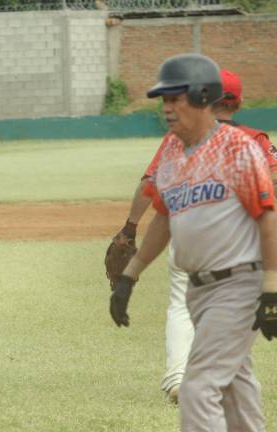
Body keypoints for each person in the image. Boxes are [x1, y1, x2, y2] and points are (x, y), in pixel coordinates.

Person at [109, 53, 277, 431]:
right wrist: (130, 276)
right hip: (199, 290)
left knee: (198, 387)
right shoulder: (172, 149)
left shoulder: (239, 149)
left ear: (203, 97)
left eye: (175, 99)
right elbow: (164, 217)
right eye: (164, 100)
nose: (166, 108)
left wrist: (271, 286)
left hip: (238, 285)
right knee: (236, 385)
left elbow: (268, 217)